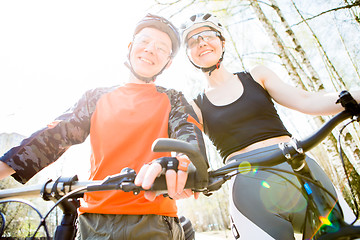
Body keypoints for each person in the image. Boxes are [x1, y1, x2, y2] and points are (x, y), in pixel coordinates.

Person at [0, 13, 207, 240]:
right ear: (130, 47)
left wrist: (184, 164)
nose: (150, 49)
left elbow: (189, 136)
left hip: (154, 221)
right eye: (144, 41)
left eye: (161, 48)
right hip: (95, 222)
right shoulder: (95, 98)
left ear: (167, 63)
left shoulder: (174, 99)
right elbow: (53, 137)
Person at [180, 13, 360, 240]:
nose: (202, 42)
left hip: (300, 169)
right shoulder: (194, 106)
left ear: (222, 42)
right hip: (248, 185)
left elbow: (307, 100)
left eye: (208, 35)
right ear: (188, 53)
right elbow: (189, 149)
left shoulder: (257, 75)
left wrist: (351, 97)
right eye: (193, 40)